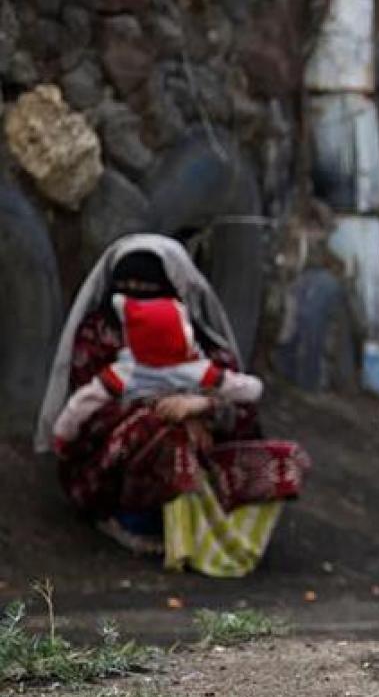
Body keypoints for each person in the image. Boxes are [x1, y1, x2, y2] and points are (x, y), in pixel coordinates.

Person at [34, 234, 307, 577]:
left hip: (206, 460)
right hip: (110, 467)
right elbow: (86, 413)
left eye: (147, 287)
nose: (135, 294)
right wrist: (163, 411)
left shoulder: (196, 342)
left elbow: (244, 405)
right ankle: (136, 522)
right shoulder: (98, 337)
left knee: (284, 462)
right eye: (126, 285)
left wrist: (201, 407)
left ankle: (220, 536)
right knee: (164, 433)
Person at [52, 294, 266, 452]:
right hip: (134, 459)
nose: (138, 291)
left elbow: (81, 402)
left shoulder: (125, 373)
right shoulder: (195, 370)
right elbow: (248, 388)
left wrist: (203, 406)